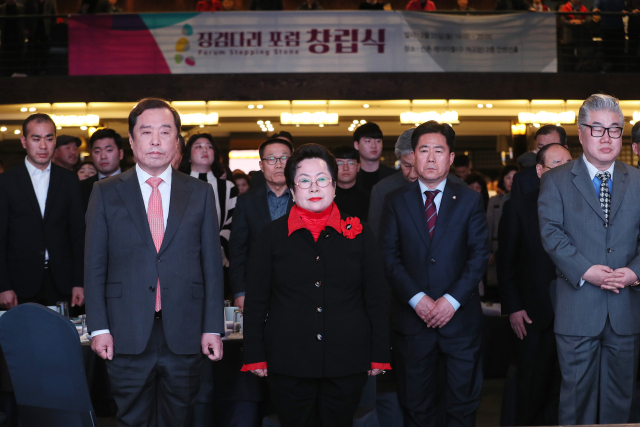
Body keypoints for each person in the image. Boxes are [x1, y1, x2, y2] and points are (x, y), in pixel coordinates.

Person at [85, 98, 225, 426]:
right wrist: (99, 328)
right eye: (146, 132)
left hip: (185, 330)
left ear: (177, 141)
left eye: (165, 132)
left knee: (180, 417)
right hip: (125, 330)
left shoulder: (200, 192)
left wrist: (212, 327)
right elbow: (94, 264)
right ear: (131, 141)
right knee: (131, 418)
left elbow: (211, 265)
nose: (156, 140)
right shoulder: (105, 192)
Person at [242, 143, 391, 427]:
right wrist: (255, 355)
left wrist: (379, 354)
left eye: (322, 179)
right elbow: (257, 300)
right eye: (304, 181)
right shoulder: (271, 235)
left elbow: (377, 297)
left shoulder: (359, 232)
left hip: (347, 359)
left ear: (334, 186)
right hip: (288, 360)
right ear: (292, 189)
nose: (314, 187)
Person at [538, 94, 640, 425]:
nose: (607, 137)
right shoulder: (556, 180)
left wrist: (633, 273)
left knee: (619, 401)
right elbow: (551, 235)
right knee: (576, 402)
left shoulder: (637, 180)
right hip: (578, 308)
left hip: (625, 307)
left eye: (615, 129)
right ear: (581, 132)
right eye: (598, 129)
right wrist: (585, 270)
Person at [380, 121, 489, 427]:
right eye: (423, 150)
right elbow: (389, 257)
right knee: (417, 408)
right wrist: (419, 300)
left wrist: (450, 301)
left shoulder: (468, 199)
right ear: (412, 156)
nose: (430, 158)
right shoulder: (395, 201)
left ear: (451, 158)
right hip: (413, 325)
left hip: (460, 324)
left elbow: (478, 255)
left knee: (462, 408)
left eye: (438, 150)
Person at [497, 143, 571, 426]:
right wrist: (513, 307)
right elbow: (506, 263)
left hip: (573, 314)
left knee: (564, 390)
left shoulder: (583, 206)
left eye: (568, 163)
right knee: (531, 388)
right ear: (540, 171)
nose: (564, 170)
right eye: (556, 164)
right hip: (532, 314)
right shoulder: (519, 207)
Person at [0, 113, 85, 310]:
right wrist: (3, 285)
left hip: (62, 282)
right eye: (36, 138)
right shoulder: (6, 182)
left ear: (55, 140)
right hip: (19, 282)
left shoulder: (69, 181)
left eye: (49, 138)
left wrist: (79, 282)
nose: (43, 146)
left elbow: (78, 235)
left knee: (64, 339)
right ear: (24, 141)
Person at [228, 137, 293, 309]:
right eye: (271, 159)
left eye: (284, 158)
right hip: (257, 288)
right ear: (261, 166)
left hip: (298, 288)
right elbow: (237, 250)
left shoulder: (305, 199)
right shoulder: (246, 202)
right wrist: (240, 292)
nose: (279, 164)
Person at [368, 128, 464, 239]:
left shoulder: (459, 188)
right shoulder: (383, 190)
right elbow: (375, 238)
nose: (413, 174)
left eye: (418, 165)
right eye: (407, 166)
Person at [179, 133, 237, 276]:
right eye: (198, 146)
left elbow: (232, 222)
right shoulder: (177, 185)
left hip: (219, 258)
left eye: (209, 147)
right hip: (183, 258)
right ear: (189, 156)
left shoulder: (228, 187)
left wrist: (215, 247)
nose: (204, 150)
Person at [510, 125, 567, 207]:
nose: (545, 152)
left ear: (565, 148)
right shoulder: (522, 179)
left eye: (551, 146)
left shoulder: (577, 176)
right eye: (541, 147)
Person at [485, 164, 519, 286]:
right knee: (496, 283)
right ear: (503, 179)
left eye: (515, 177)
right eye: (508, 177)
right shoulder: (494, 200)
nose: (511, 181)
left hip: (517, 250)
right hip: (496, 247)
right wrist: (488, 251)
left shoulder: (522, 200)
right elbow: (488, 226)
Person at [80, 128, 124, 211]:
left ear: (120, 154)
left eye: (109, 150)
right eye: (97, 151)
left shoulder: (135, 184)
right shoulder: (81, 188)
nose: (103, 156)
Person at [354, 122, 396, 194]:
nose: (374, 146)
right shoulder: (350, 176)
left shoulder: (394, 176)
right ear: (356, 145)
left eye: (378, 141)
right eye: (368, 141)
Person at [331, 145, 370, 221]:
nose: (346, 168)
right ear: (332, 167)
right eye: (340, 163)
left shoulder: (369, 199)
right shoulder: (326, 199)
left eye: (351, 163)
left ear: (358, 167)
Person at [593, 0, 625, 72]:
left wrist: (624, 11)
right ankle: (610, 70)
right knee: (608, 51)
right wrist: (596, 9)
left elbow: (623, 10)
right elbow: (596, 7)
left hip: (615, 27)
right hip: (608, 28)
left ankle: (617, 70)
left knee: (617, 51)